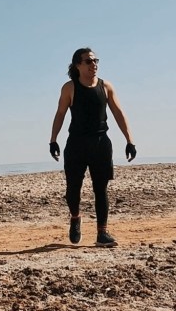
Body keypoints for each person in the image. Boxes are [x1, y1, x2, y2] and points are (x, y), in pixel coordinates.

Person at [49, 49, 136, 247]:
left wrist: (130, 140)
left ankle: (102, 233)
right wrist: (53, 140)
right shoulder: (69, 88)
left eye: (95, 60)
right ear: (78, 65)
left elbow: (118, 113)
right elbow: (60, 113)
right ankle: (75, 217)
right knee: (73, 189)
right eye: (88, 61)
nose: (94, 64)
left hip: (100, 144)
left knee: (101, 189)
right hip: (76, 144)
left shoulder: (106, 87)